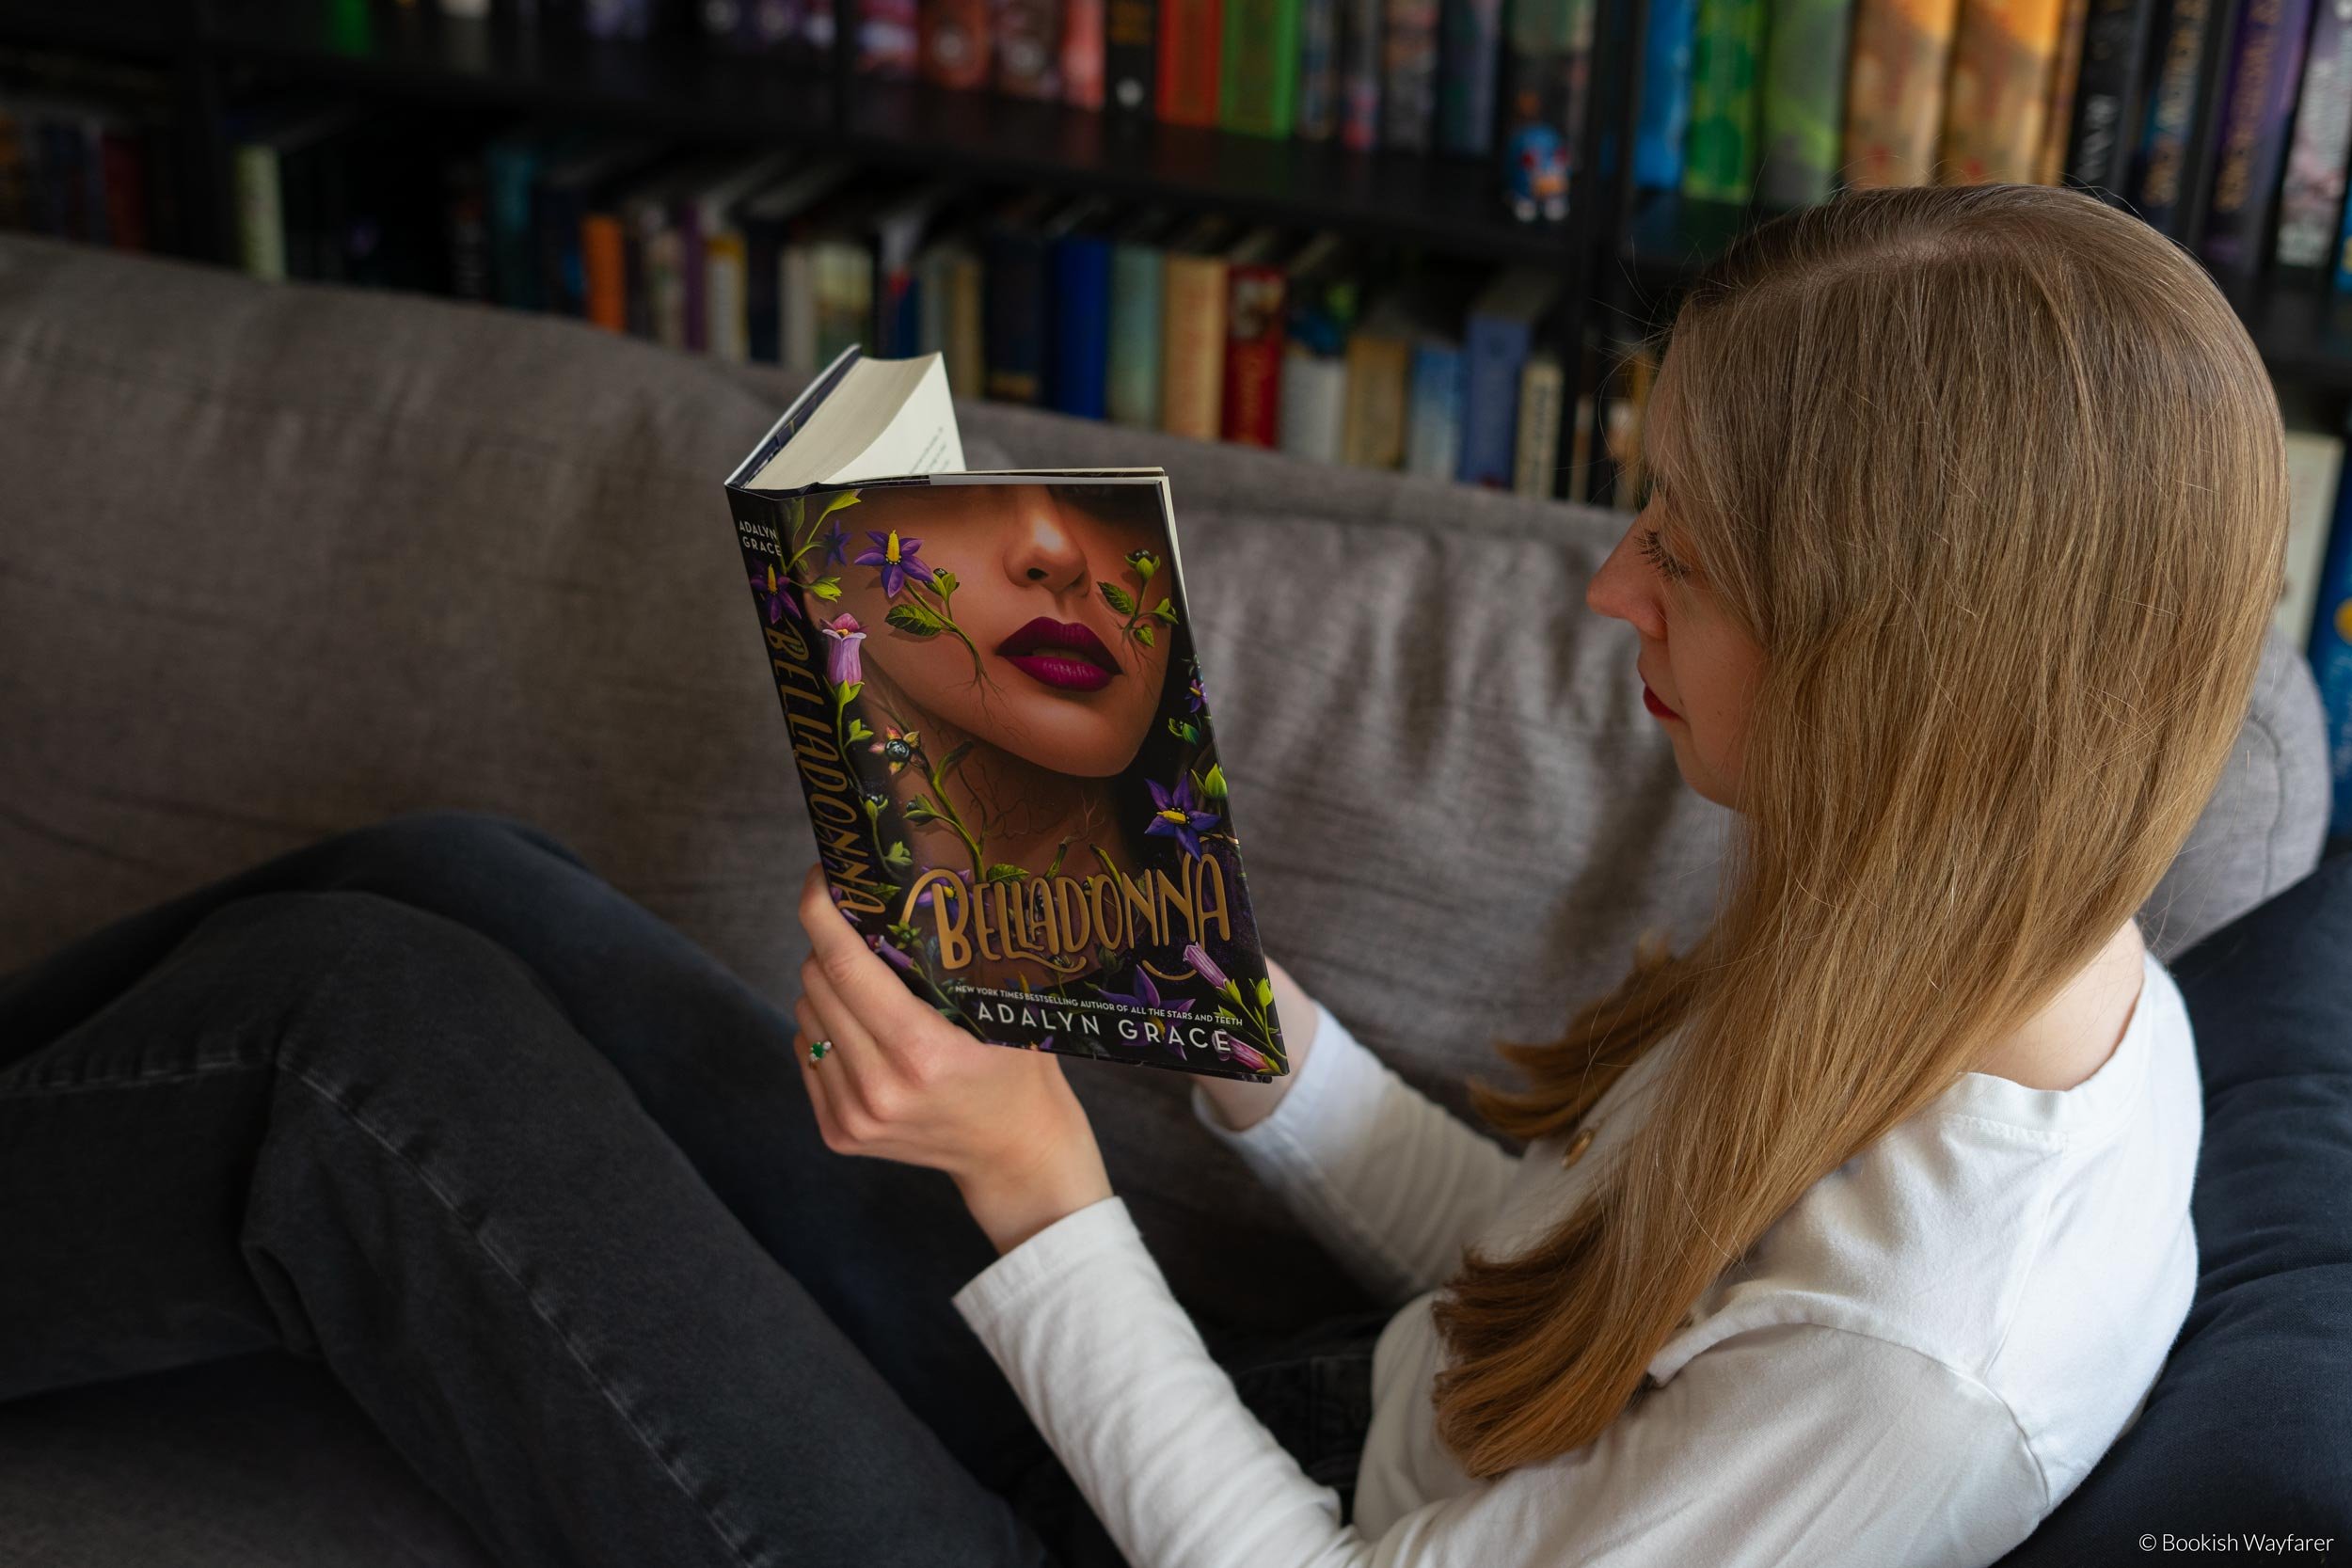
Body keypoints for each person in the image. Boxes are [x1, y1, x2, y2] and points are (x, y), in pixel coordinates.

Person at [0, 180, 2283, 1568]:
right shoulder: (1972, 953)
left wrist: (1041, 1193)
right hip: (1278, 1424)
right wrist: (1208, 996)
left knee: (343, 1054)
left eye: (1682, 554)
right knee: (455, 876)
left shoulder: (1911, 1364)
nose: (1611, 599)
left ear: (1899, 664)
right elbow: (1555, 1298)